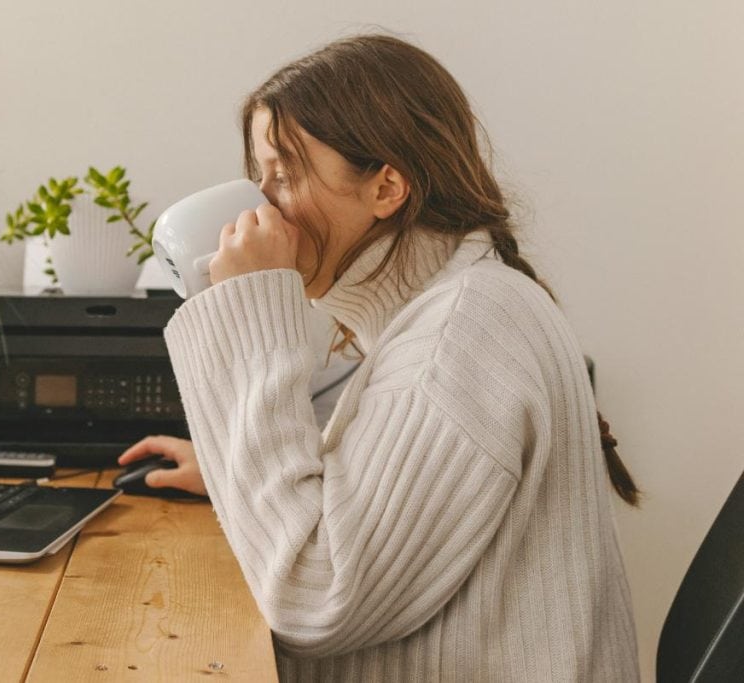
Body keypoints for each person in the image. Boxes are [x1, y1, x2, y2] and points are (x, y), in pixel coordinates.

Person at [119, 33, 641, 681]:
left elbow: (314, 597)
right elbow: (384, 491)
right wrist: (230, 469)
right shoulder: (456, 304)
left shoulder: (459, 334)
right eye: (262, 179)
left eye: (285, 175)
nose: (262, 205)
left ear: (386, 187)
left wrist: (253, 300)